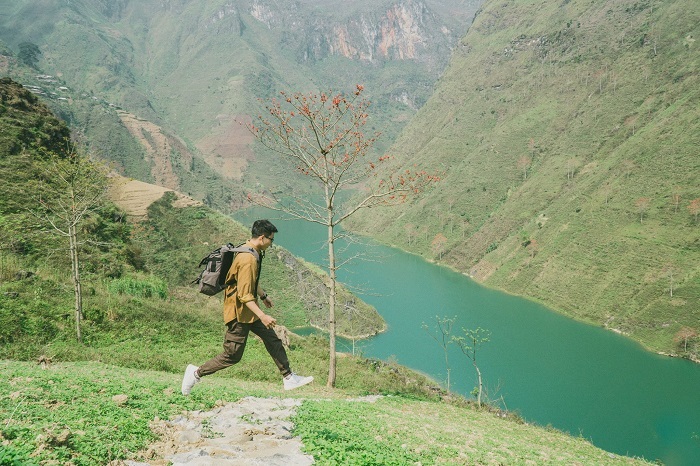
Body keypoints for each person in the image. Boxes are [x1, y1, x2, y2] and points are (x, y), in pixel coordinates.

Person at [181, 219, 313, 395]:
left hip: (249, 312)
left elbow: (249, 281)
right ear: (261, 238)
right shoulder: (248, 259)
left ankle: (288, 377)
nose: (272, 243)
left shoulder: (251, 249)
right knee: (232, 355)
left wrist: (263, 295)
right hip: (239, 313)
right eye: (271, 240)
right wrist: (263, 316)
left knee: (273, 340)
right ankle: (196, 373)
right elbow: (243, 295)